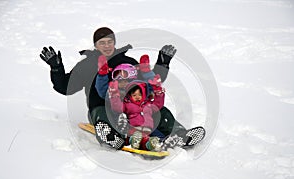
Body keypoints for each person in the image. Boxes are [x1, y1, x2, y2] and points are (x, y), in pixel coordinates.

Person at [40, 27, 205, 150]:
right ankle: (112, 136)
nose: (106, 46)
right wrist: (56, 68)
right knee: (101, 113)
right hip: (102, 109)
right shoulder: (87, 65)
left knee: (158, 110)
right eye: (102, 43)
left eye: (109, 42)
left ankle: (181, 135)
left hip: (134, 107)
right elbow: (65, 88)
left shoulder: (125, 60)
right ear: (95, 45)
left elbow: (151, 80)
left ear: (114, 42)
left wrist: (163, 63)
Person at [108, 63, 165, 151]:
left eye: (140, 95)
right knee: (138, 138)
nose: (137, 97)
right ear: (129, 96)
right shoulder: (128, 104)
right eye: (134, 95)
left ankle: (160, 143)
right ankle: (138, 143)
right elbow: (117, 108)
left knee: (160, 137)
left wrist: (158, 92)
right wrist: (114, 94)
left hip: (148, 129)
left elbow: (158, 105)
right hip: (134, 129)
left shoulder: (148, 105)